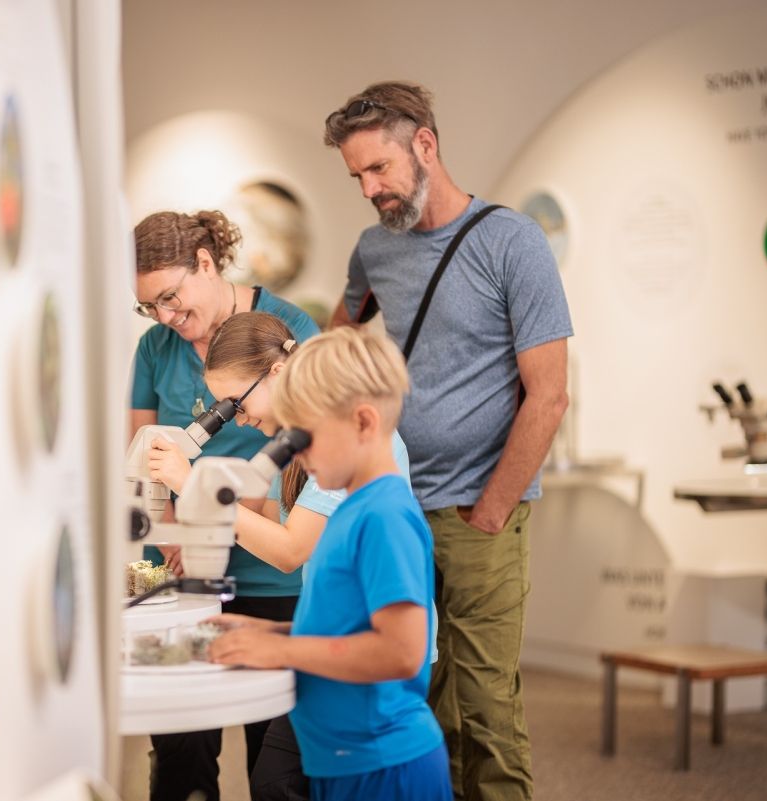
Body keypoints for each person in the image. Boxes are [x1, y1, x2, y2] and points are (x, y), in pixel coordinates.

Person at [322, 81, 573, 801]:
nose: (369, 189)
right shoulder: (375, 250)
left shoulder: (511, 241)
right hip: (398, 507)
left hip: (479, 511)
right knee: (413, 700)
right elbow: (337, 341)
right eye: (357, 177)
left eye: (379, 169)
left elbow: (549, 393)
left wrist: (492, 508)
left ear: (425, 145)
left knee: (487, 707)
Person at [146, 311, 418, 801]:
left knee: (285, 782)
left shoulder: (376, 500)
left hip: (371, 698)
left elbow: (291, 549)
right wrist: (264, 631)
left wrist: (195, 486)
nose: (237, 417)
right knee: (274, 783)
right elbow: (267, 524)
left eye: (236, 402)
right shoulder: (304, 451)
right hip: (331, 649)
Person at [207, 326, 451, 801]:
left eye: (304, 437)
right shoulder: (353, 508)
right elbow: (344, 630)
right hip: (343, 756)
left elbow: (402, 652)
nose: (293, 454)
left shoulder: (385, 516)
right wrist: (267, 635)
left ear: (363, 422)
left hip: (383, 765)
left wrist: (283, 651)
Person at [130, 211, 319, 801]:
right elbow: (141, 459)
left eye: (170, 296)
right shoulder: (155, 348)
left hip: (270, 575)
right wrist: (169, 532)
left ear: (206, 264)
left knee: (275, 763)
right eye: (149, 306)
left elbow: (304, 464)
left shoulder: (288, 331)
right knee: (181, 754)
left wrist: (205, 502)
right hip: (181, 578)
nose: (164, 316)